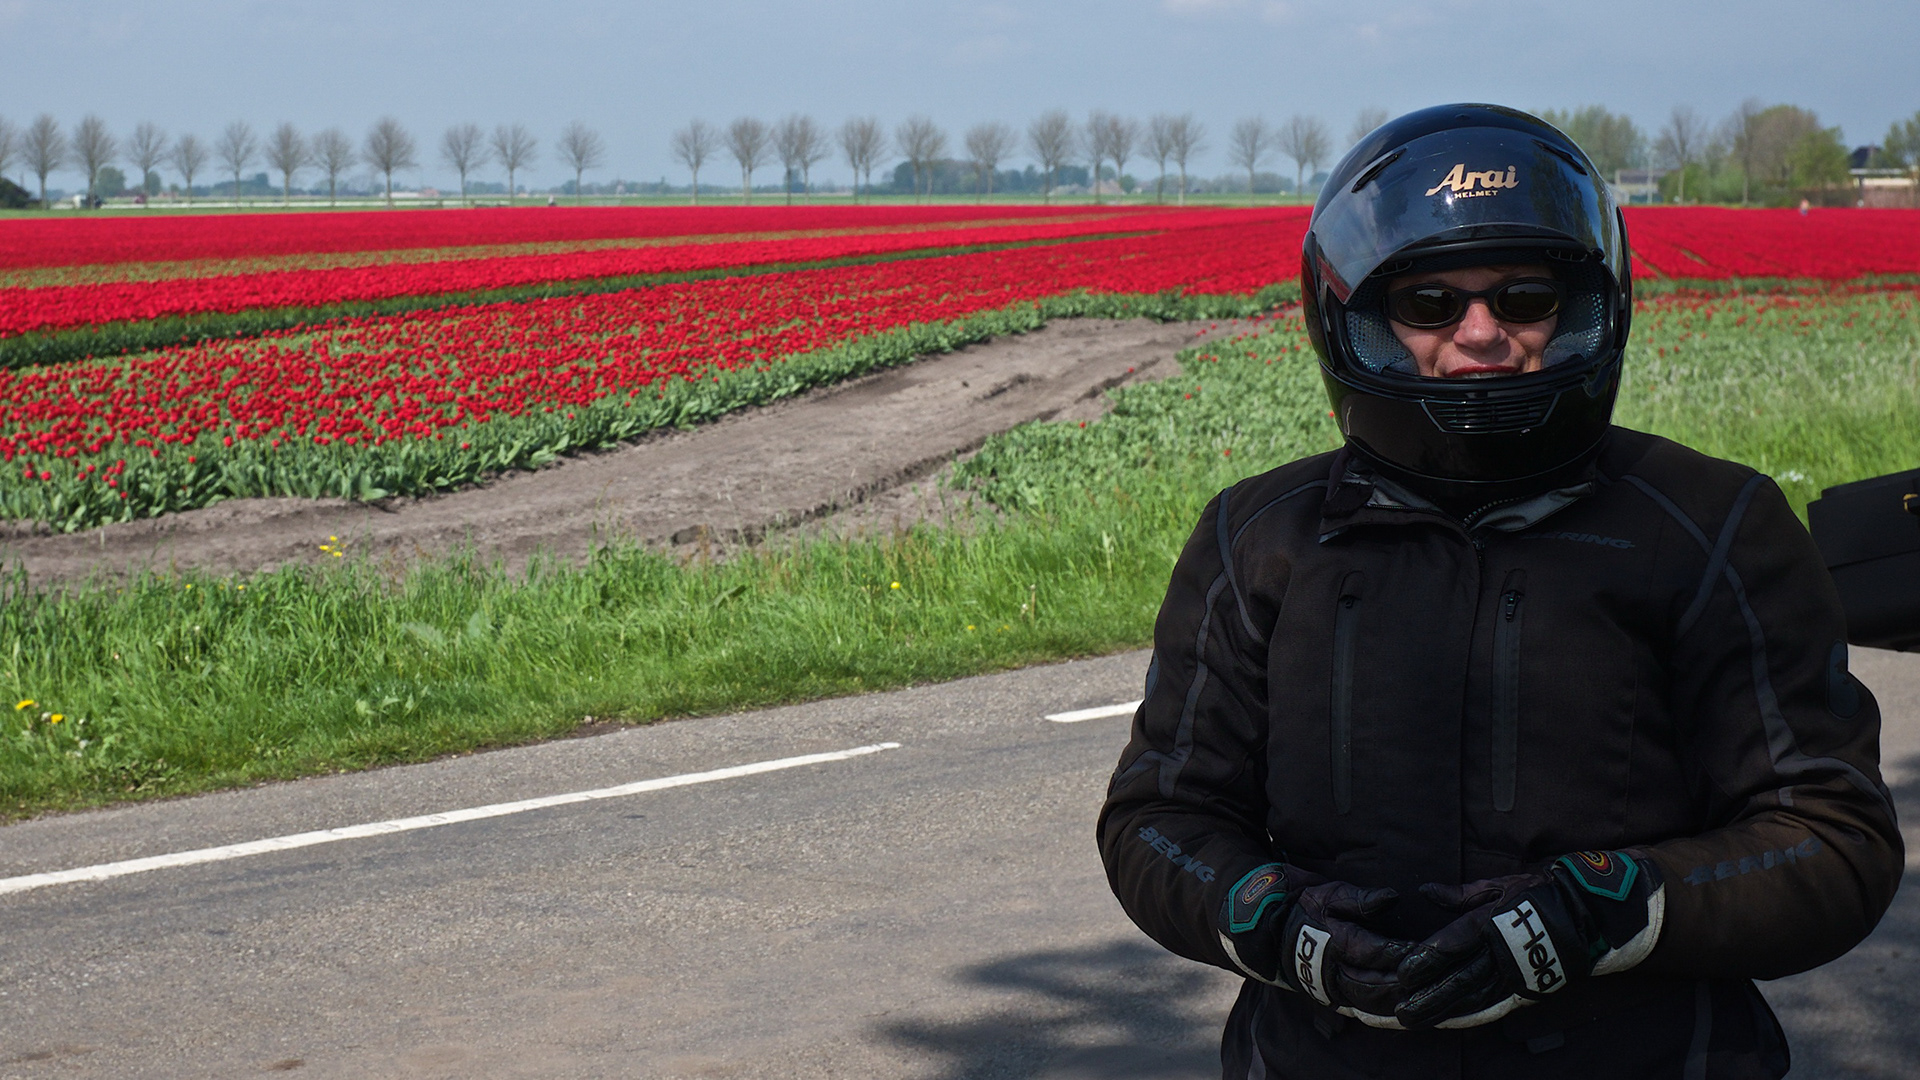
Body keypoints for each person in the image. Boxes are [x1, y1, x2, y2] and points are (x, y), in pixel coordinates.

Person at [1098, 104, 1902, 1079]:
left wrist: (1609, 907)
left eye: (1525, 298)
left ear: (1589, 306)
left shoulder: (1711, 525)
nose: (1481, 335)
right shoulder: (1261, 537)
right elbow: (1157, 820)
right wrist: (1279, 923)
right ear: (1355, 321)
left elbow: (1833, 837)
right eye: (1429, 304)